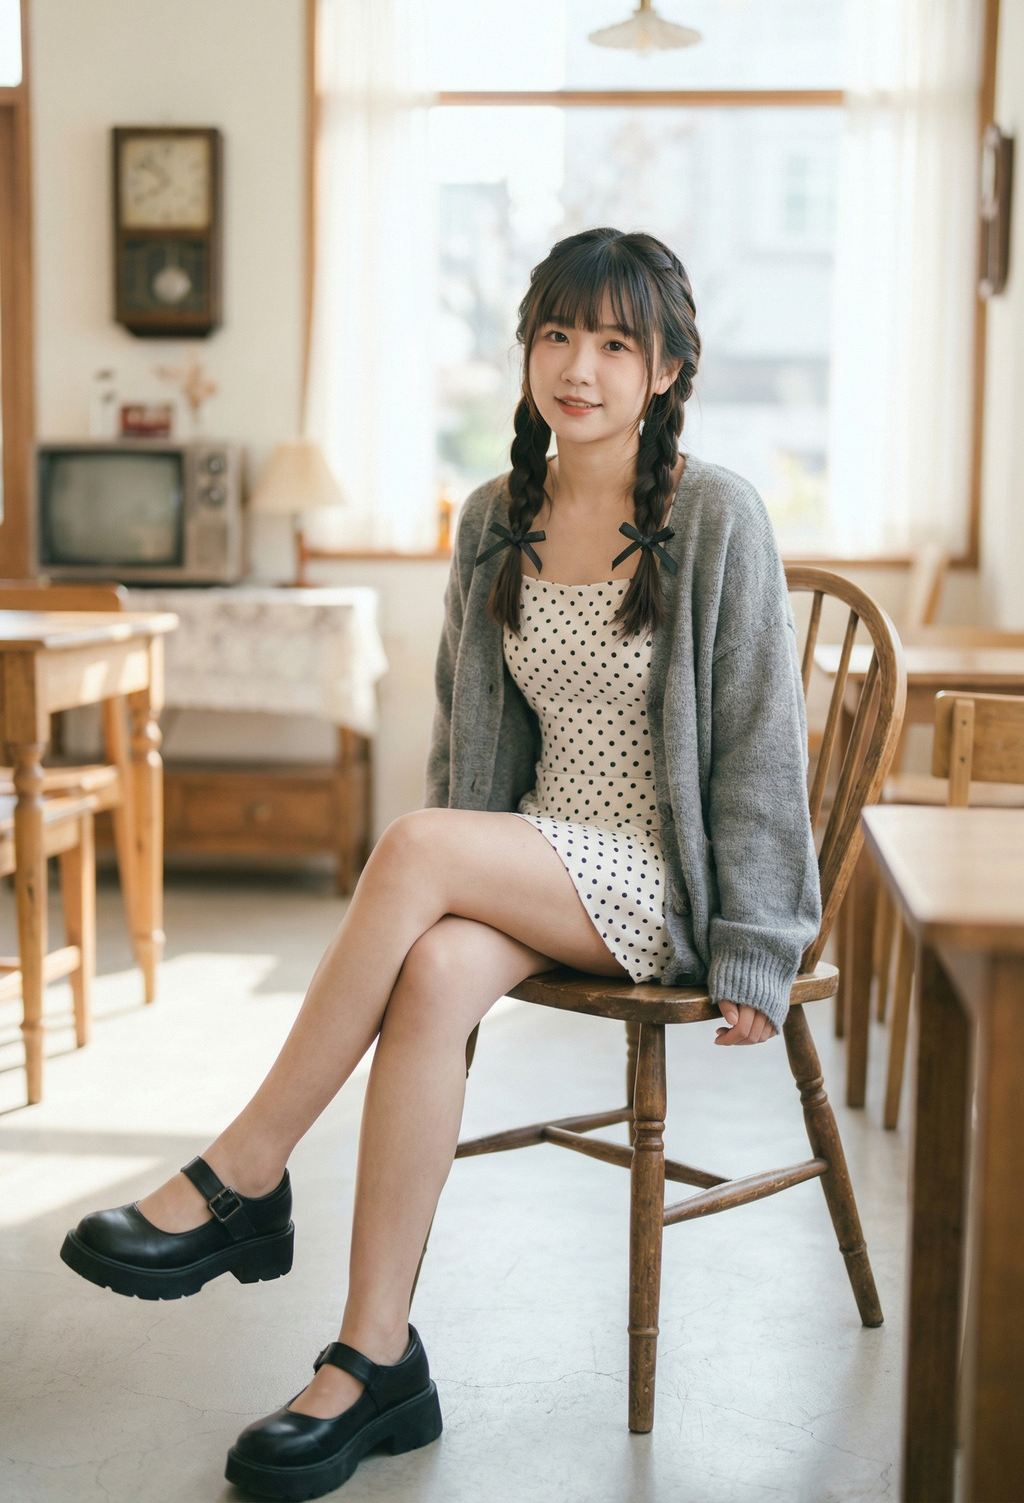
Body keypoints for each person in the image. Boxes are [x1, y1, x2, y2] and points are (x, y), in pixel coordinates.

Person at [59, 228, 820, 1501]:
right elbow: (472, 740)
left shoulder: (716, 516)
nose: (579, 367)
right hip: (531, 855)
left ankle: (243, 1173)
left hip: (656, 876)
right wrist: (436, 901)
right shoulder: (493, 519)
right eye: (558, 334)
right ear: (527, 348)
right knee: (432, 975)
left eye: (616, 344)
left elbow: (758, 744)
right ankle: (372, 1360)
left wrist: (755, 944)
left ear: (668, 368)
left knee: (413, 844)